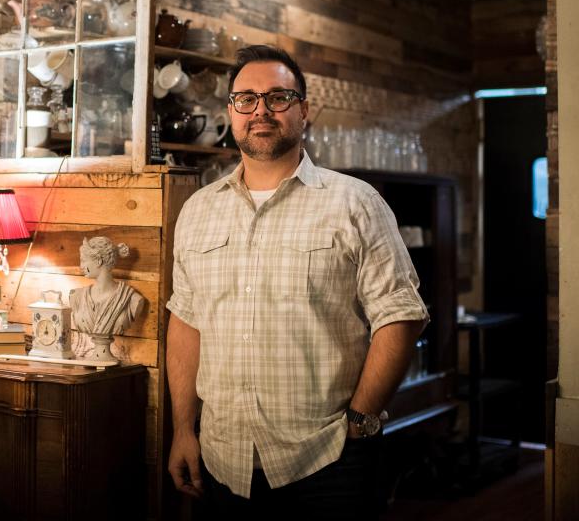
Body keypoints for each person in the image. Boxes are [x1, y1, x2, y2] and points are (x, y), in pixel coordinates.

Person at [165, 45, 429, 519]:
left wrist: (362, 422)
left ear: (304, 110)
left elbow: (400, 314)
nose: (260, 110)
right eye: (245, 98)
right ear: (231, 112)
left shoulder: (354, 202)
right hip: (222, 461)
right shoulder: (198, 209)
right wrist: (184, 429)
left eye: (278, 97)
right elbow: (186, 323)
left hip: (329, 462)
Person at [69, 236, 144, 337]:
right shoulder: (76, 296)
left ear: (98, 261)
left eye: (83, 261)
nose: (81, 266)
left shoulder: (132, 299)